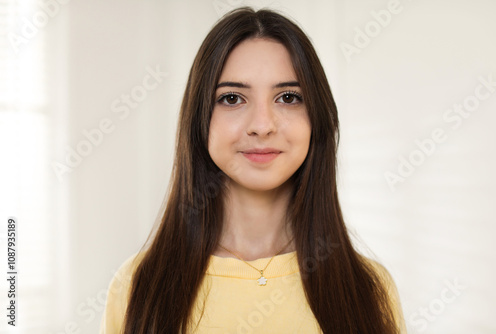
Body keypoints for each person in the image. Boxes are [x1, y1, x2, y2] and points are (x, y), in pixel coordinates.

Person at [100, 7, 406, 334]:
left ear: (317, 116)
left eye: (288, 97)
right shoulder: (136, 286)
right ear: (200, 119)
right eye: (232, 98)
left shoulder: (371, 290)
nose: (262, 126)